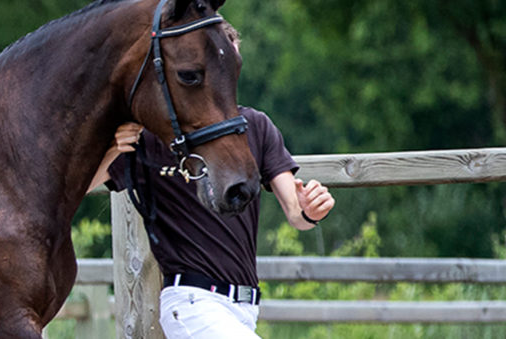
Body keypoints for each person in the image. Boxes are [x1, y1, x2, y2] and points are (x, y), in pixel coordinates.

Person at [87, 24, 336, 338]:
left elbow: (296, 214)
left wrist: (311, 209)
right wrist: (110, 149)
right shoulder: (149, 137)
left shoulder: (256, 127)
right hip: (191, 302)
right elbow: (80, 186)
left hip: (245, 308)